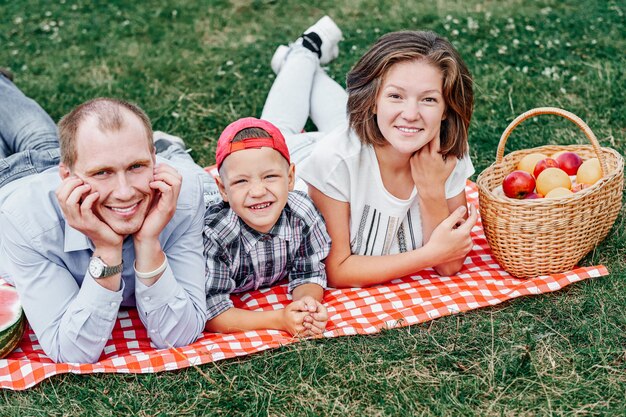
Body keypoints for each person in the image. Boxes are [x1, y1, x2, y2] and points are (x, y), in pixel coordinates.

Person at [0, 75, 207, 363]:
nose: (124, 192)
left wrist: (147, 241)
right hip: (6, 184)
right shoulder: (26, 221)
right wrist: (108, 250)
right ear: (68, 177)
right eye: (104, 173)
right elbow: (70, 351)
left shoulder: (182, 197)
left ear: (154, 159)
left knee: (36, 133)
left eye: (136, 166)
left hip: (70, 156)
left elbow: (179, 336)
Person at [260, 17, 478, 288]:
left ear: (446, 109)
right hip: (305, 153)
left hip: (370, 133)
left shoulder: (446, 151)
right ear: (373, 102)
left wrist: (432, 188)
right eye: (396, 96)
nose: (411, 114)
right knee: (276, 132)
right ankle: (305, 50)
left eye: (429, 99)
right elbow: (337, 270)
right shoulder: (334, 160)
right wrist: (429, 254)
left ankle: (302, 63)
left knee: (348, 122)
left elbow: (450, 264)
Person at [200, 117, 331, 337]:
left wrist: (306, 306)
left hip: (309, 145)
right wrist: (279, 319)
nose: (258, 191)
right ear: (223, 188)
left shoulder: (303, 213)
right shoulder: (215, 233)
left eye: (270, 177)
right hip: (201, 195)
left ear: (290, 178)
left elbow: (309, 272)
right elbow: (211, 311)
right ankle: (173, 149)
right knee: (186, 175)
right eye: (241, 181)